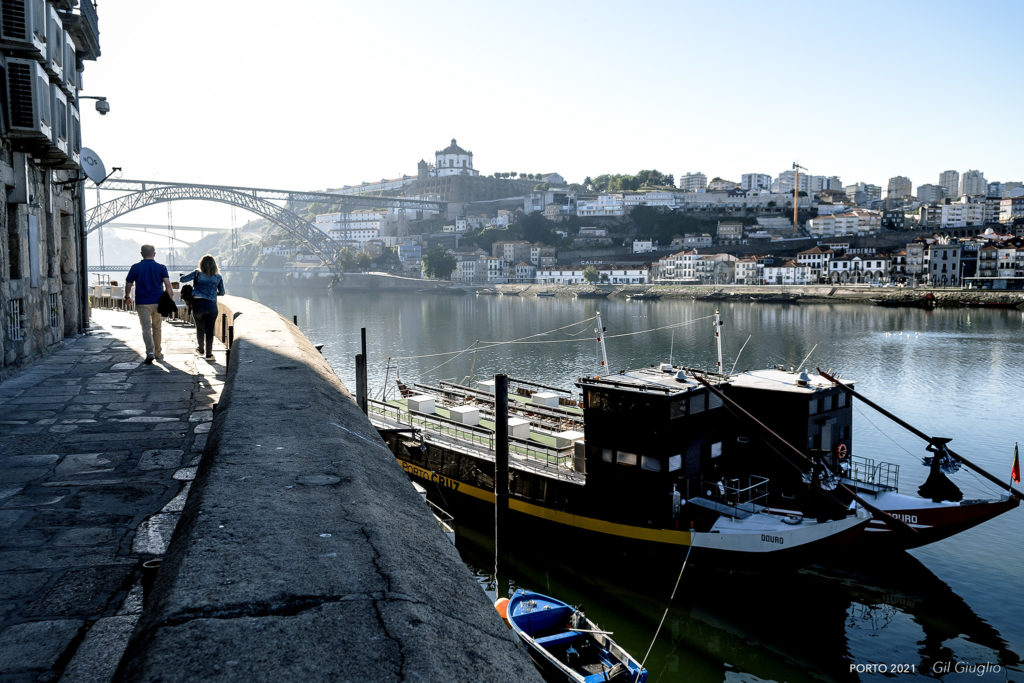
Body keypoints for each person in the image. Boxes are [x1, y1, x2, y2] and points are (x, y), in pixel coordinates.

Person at [124, 244, 175, 364]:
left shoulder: (135, 267)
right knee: (157, 328)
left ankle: (150, 352)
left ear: (141, 254)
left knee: (146, 328)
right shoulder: (161, 267)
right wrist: (171, 299)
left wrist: (127, 296)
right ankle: (158, 353)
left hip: (142, 302)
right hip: (158, 302)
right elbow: (168, 285)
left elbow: (128, 283)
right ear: (154, 254)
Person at [180, 254, 226, 361]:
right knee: (210, 330)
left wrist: (182, 275)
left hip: (198, 305)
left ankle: (201, 349)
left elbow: (183, 280)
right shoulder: (218, 277)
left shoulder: (197, 273)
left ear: (201, 264)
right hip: (211, 306)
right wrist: (212, 294)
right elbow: (222, 292)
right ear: (214, 265)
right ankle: (209, 354)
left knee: (200, 329)